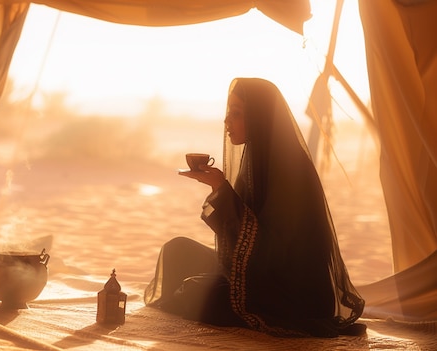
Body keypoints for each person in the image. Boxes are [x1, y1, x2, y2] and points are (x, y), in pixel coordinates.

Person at [144, 77, 365, 338]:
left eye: (236, 114)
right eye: (228, 114)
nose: (227, 122)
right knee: (176, 251)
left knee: (202, 295)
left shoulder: (289, 169)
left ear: (259, 117)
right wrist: (219, 190)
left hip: (289, 291)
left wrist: (222, 192)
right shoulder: (254, 158)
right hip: (254, 272)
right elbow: (240, 234)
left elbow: (273, 250)